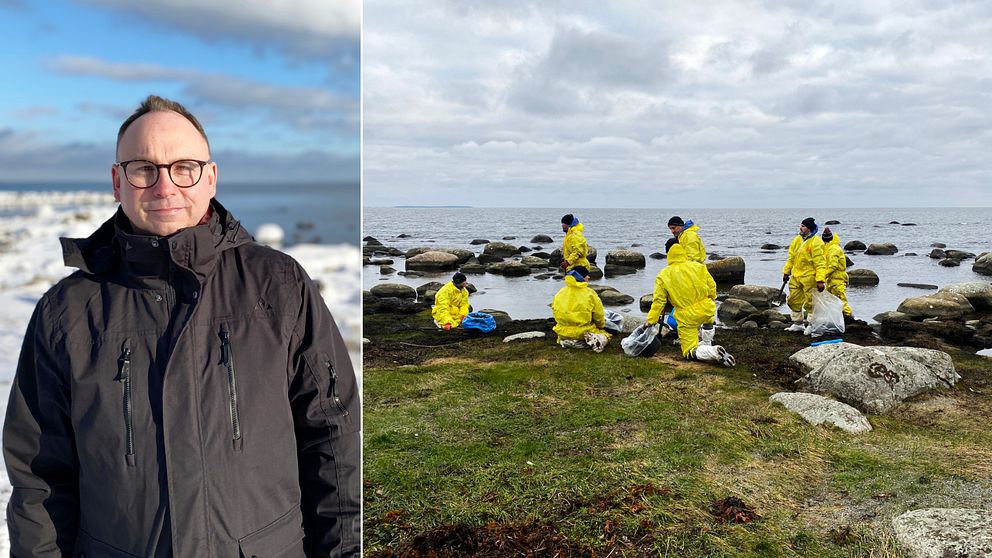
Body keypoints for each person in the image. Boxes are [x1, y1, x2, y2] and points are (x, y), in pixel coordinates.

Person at [3, 95, 360, 557]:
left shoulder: (279, 285)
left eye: (184, 168)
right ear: (117, 182)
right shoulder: (66, 312)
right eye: (143, 169)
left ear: (210, 177)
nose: (165, 186)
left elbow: (332, 439)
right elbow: (40, 481)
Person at [645, 239, 735, 366]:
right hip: (706, 308)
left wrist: (651, 320)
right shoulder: (699, 266)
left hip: (687, 317)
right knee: (708, 322)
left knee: (689, 351)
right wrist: (711, 299)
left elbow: (659, 301)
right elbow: (712, 286)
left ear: (668, 254)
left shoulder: (663, 275)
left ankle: (713, 352)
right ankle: (707, 343)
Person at [782, 217, 827, 333]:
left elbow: (820, 263)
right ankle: (798, 323)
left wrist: (820, 280)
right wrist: (786, 272)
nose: (800, 228)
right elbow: (791, 257)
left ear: (809, 228)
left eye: (803, 226)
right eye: (801, 225)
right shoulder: (797, 240)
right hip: (796, 276)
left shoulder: (816, 242)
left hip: (810, 277)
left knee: (811, 302)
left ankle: (812, 325)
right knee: (793, 299)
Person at [551, 265, 610, 351]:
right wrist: (601, 326)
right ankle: (583, 342)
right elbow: (598, 315)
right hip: (583, 331)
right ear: (581, 277)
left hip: (562, 331)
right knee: (606, 335)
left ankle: (567, 341)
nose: (588, 277)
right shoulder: (590, 293)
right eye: (586, 275)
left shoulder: (560, 292)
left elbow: (555, 311)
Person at [821, 227, 853, 320]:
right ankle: (839, 318)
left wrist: (822, 276)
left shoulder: (833, 249)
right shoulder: (829, 248)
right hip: (832, 279)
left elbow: (833, 266)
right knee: (833, 300)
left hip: (837, 279)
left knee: (841, 299)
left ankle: (849, 317)